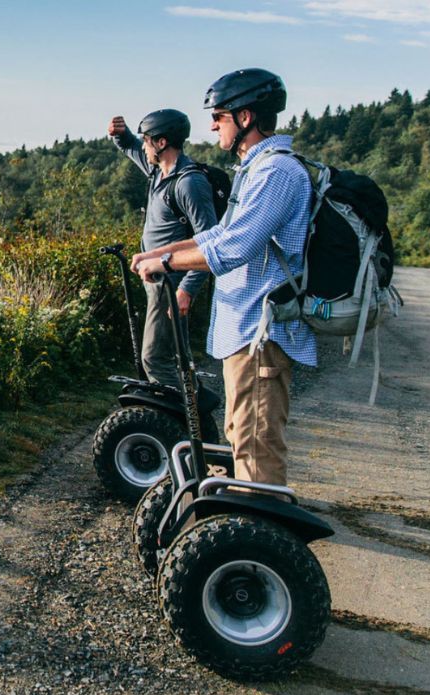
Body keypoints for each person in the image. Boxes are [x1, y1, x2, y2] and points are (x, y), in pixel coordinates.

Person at [131, 68, 313, 487]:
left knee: (256, 446)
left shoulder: (276, 173)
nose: (212, 125)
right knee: (242, 436)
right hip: (246, 334)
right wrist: (159, 252)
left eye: (220, 116)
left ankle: (258, 537)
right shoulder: (256, 170)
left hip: (261, 335)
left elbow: (235, 248)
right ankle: (252, 522)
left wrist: (169, 266)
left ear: (245, 117)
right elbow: (219, 234)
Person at [108, 109, 217, 387]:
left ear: (162, 142)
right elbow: (133, 149)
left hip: (172, 283)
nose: (143, 146)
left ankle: (182, 422)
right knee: (174, 357)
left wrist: (187, 289)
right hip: (157, 280)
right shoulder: (158, 172)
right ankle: (193, 419)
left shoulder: (189, 183)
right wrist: (121, 136)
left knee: (156, 359)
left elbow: (211, 241)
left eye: (147, 140)